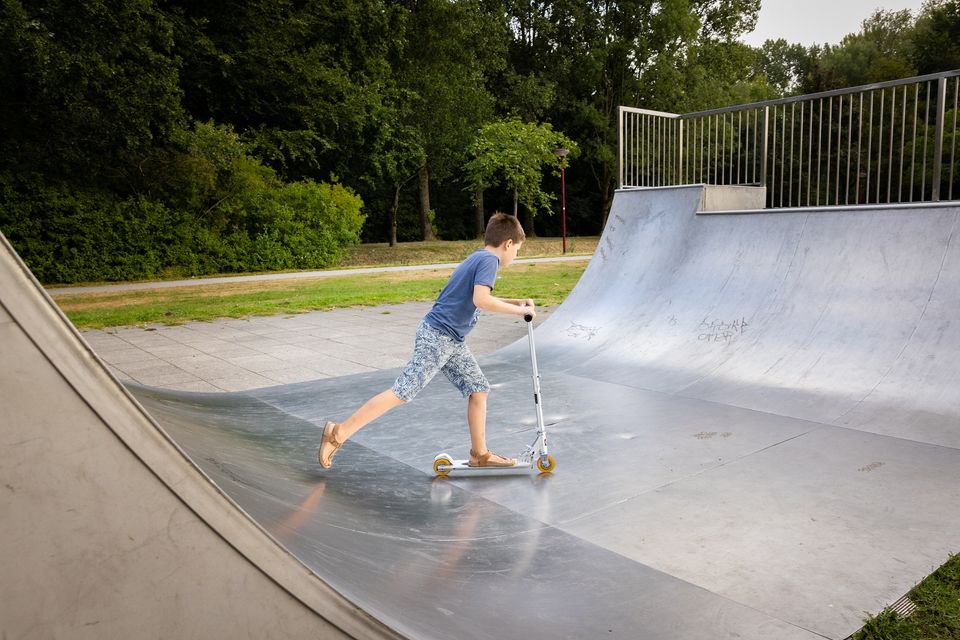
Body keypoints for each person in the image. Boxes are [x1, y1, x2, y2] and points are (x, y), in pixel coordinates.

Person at [318, 212, 535, 469]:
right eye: (518, 250)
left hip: (450, 339)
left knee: (478, 388)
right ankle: (338, 433)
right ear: (508, 243)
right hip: (438, 337)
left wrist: (516, 302)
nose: (515, 256)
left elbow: (474, 297)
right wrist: (521, 311)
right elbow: (481, 300)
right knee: (403, 391)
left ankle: (480, 454)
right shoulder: (490, 260)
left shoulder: (479, 256)